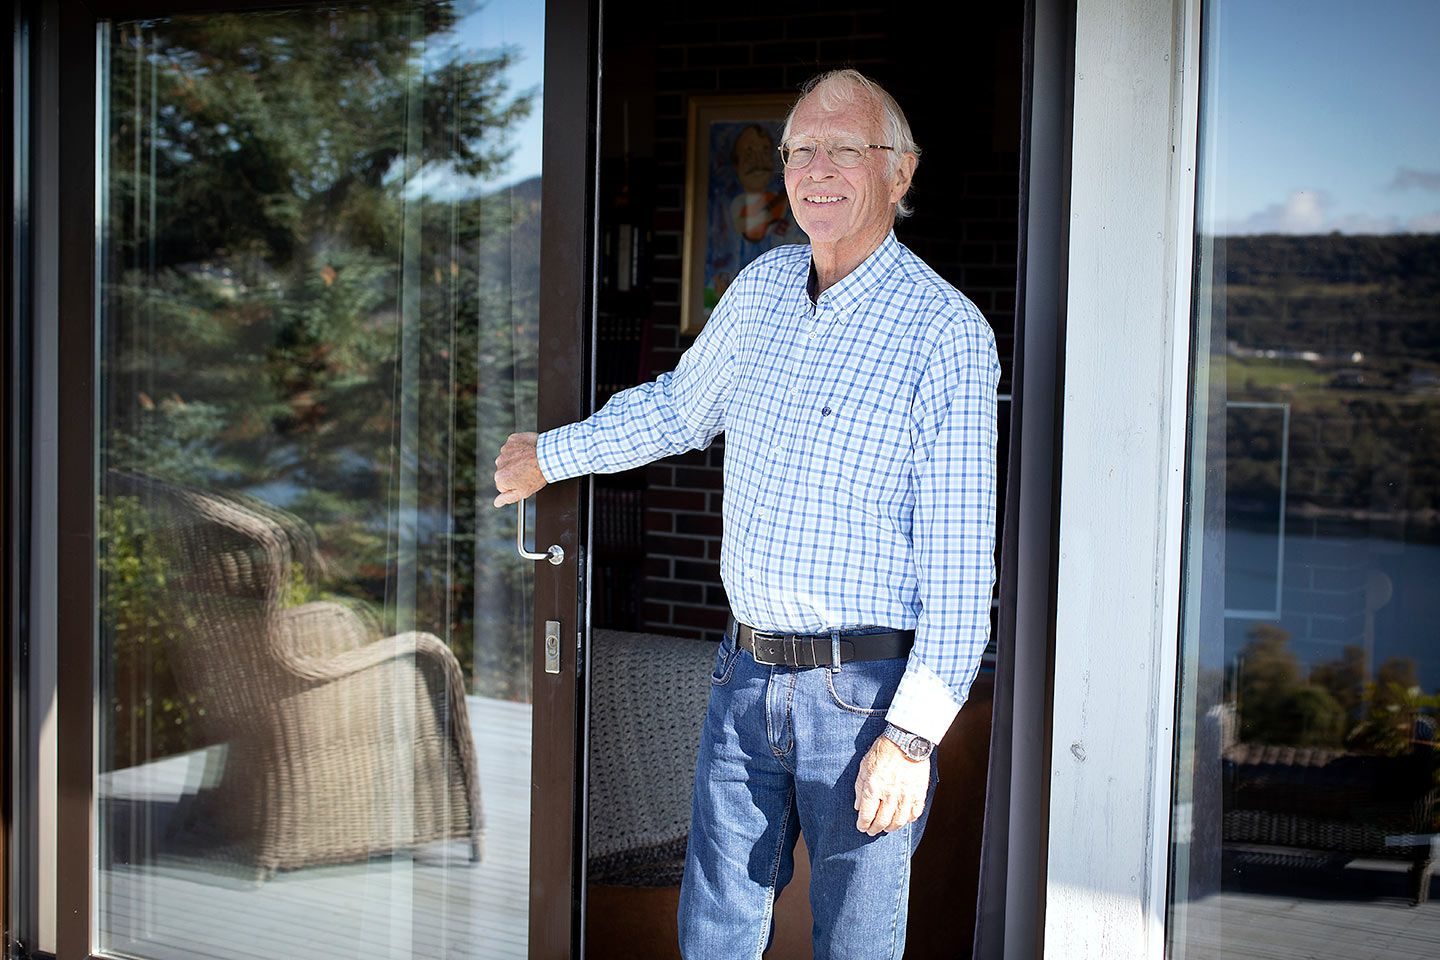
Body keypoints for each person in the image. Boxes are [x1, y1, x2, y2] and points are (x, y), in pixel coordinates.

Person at [493, 68, 999, 959]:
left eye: (846, 148)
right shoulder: (761, 290)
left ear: (901, 172)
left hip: (866, 697)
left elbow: (962, 571)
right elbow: (679, 410)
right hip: (744, 675)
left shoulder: (944, 332)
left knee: (855, 943)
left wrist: (911, 741)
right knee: (715, 931)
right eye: (802, 150)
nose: (817, 168)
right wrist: (552, 456)